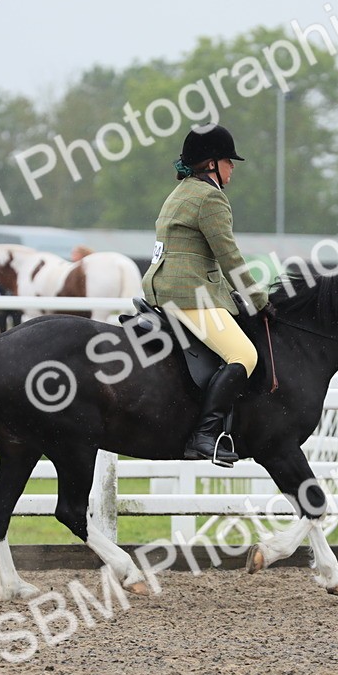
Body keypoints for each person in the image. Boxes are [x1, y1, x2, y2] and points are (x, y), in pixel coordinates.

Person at [141, 123, 275, 467]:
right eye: (229, 161)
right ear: (212, 164)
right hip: (188, 294)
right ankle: (205, 434)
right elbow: (229, 256)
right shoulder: (210, 197)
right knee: (244, 354)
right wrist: (260, 300)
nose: (234, 167)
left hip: (161, 287)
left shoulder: (183, 190)